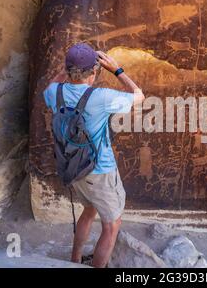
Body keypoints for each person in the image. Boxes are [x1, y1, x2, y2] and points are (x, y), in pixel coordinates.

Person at [43, 43, 145, 268]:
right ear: (94, 72)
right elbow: (139, 96)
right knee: (111, 226)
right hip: (100, 170)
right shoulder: (101, 97)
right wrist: (117, 70)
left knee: (88, 211)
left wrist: (67, 70)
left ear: (68, 71)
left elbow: (52, 85)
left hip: (74, 167)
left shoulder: (53, 93)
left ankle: (75, 260)